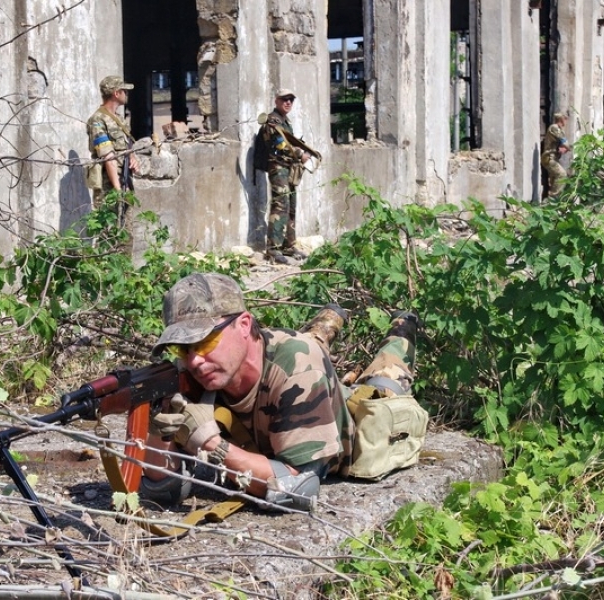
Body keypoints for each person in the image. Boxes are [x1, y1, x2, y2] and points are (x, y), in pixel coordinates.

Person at [141, 272, 418, 511]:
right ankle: (329, 320)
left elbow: (299, 487)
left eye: (205, 342)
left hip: (346, 418)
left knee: (386, 378)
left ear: (244, 324)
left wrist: (211, 444)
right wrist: (161, 429)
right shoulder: (193, 371)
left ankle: (403, 326)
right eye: (182, 348)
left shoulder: (298, 368)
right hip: (294, 381)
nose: (194, 361)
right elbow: (161, 491)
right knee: (312, 343)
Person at [258, 88, 318, 265]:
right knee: (280, 205)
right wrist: (300, 153)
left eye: (291, 99)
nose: (288, 102)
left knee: (291, 206)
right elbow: (279, 142)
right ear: (276, 101)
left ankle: (288, 245)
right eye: (284, 99)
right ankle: (273, 249)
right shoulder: (272, 120)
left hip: (289, 168)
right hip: (278, 167)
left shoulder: (286, 121)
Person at [86, 75, 139, 243]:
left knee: (126, 233)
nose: (127, 94)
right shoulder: (98, 120)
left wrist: (133, 157)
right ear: (116, 93)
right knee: (109, 234)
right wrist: (117, 190)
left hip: (124, 181)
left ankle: (124, 269)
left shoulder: (120, 119)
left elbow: (125, 146)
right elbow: (108, 156)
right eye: (124, 91)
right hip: (109, 186)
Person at [541, 112, 571, 197]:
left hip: (554, 158)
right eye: (565, 119)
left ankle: (553, 203)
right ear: (561, 119)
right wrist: (570, 147)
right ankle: (551, 201)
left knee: (554, 181)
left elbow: (563, 146)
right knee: (562, 175)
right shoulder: (554, 128)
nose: (566, 122)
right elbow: (564, 142)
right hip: (549, 158)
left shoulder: (560, 130)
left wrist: (565, 148)